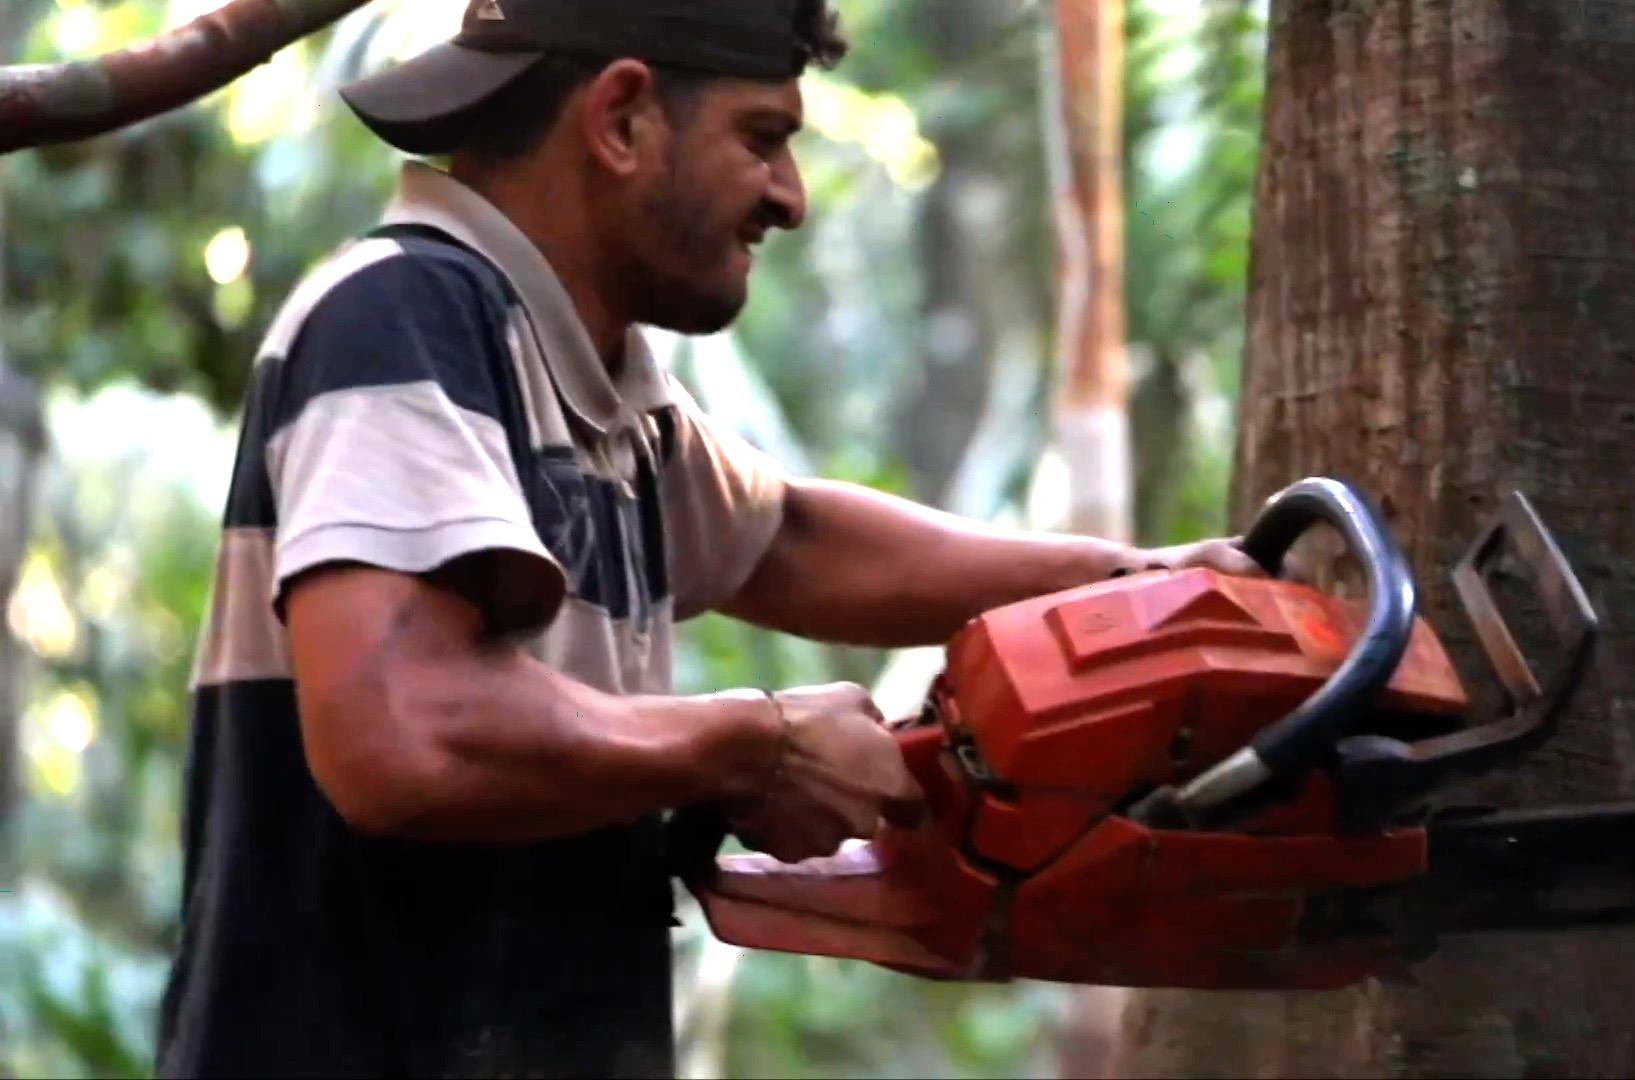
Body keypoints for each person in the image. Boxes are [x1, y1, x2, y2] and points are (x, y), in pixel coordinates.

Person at [156, 1, 1268, 1075]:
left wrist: (1131, 583)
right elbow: (405, 733)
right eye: (764, 137)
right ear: (622, 119)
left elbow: (788, 537)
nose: (789, 198)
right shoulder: (400, 314)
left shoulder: (605, 398)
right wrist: (756, 742)